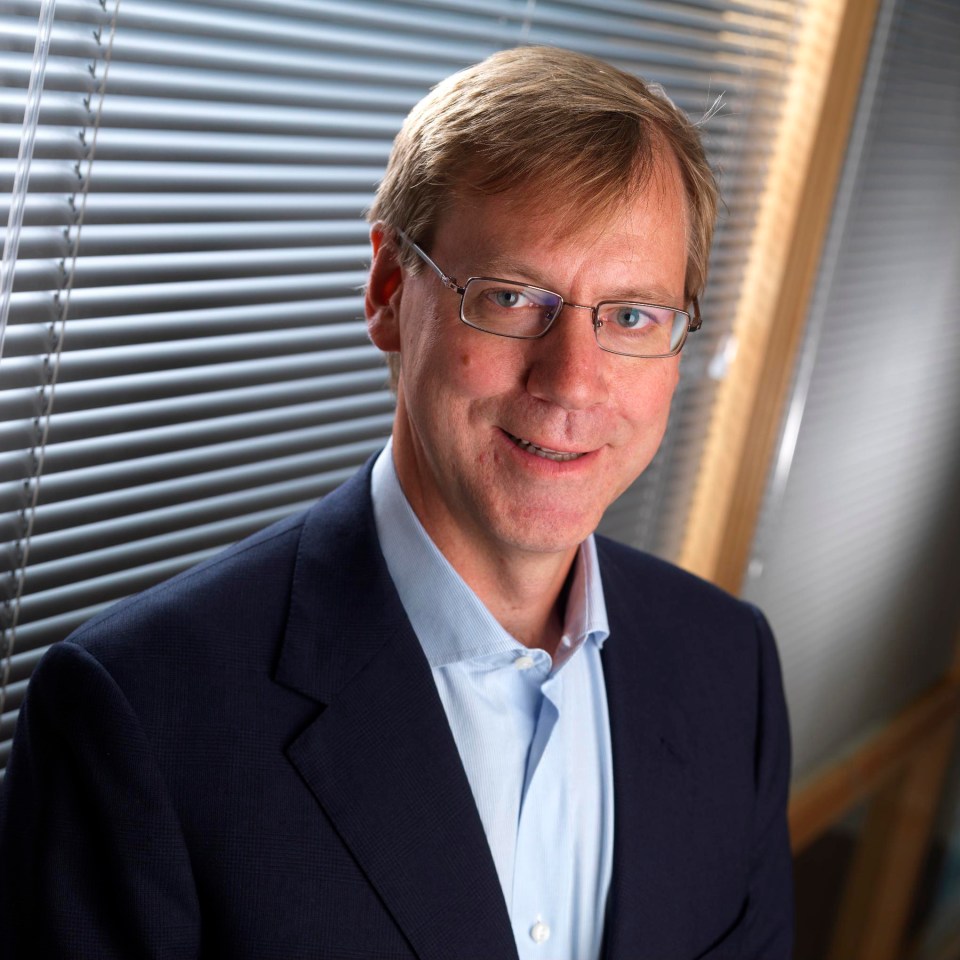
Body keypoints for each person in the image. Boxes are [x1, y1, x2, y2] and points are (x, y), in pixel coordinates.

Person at [0, 45, 793, 959]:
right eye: (509, 296)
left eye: (630, 316)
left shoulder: (732, 669)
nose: (573, 382)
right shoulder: (144, 716)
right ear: (387, 291)